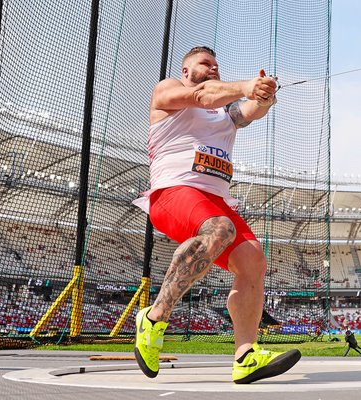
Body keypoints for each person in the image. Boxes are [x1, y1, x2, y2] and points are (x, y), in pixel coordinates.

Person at [132, 46, 301, 384]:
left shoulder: (224, 113)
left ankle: (245, 355)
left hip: (216, 201)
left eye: (216, 65)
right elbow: (203, 95)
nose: (212, 68)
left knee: (253, 261)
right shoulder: (167, 91)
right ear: (185, 71)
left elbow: (249, 111)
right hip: (174, 192)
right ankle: (154, 319)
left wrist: (264, 96)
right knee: (221, 228)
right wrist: (245, 87)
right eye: (205, 63)